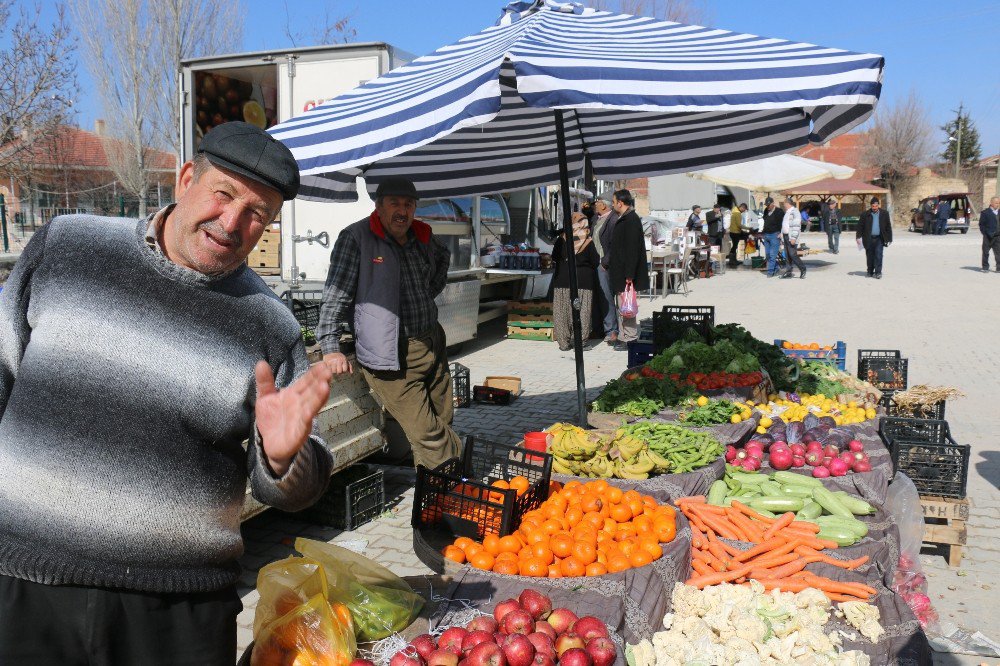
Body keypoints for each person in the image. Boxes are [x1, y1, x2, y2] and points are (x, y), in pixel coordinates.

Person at [0, 121, 335, 664]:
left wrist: (283, 459)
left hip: (178, 610)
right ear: (185, 179)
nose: (232, 223)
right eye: (223, 195)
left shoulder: (270, 326)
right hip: (23, 583)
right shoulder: (67, 245)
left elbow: (300, 486)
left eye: (258, 214)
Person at [317, 176, 461, 469]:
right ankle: (451, 490)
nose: (402, 211)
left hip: (432, 341)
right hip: (389, 353)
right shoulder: (356, 238)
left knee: (443, 417)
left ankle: (435, 481)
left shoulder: (422, 236)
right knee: (428, 432)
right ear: (378, 206)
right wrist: (330, 346)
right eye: (394, 203)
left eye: (408, 204)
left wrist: (425, 294)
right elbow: (336, 294)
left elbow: (443, 259)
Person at [551, 213, 600, 351]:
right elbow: (595, 261)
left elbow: (555, 257)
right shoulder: (587, 241)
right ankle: (580, 342)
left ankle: (564, 343)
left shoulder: (562, 239)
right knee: (582, 312)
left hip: (562, 280)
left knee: (562, 312)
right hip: (583, 281)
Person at [608, 189, 649, 350]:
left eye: (613, 202)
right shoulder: (625, 218)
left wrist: (630, 274)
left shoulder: (631, 219)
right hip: (621, 271)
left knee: (627, 306)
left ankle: (630, 338)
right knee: (622, 305)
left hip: (626, 273)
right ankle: (623, 336)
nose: (612, 205)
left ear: (620, 202)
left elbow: (632, 249)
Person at [592, 197, 619, 344]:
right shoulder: (597, 219)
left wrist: (605, 263)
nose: (595, 205)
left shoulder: (613, 219)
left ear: (603, 205)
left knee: (606, 297)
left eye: (597, 203)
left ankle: (612, 330)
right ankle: (599, 329)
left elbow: (615, 244)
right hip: (596, 263)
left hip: (604, 264)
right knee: (597, 296)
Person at [857, 196, 892, 278]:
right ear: (871, 206)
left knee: (879, 255)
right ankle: (870, 271)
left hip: (880, 238)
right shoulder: (865, 214)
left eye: (876, 206)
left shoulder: (884, 213)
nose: (875, 208)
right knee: (870, 256)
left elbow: (888, 226)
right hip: (868, 238)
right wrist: (858, 237)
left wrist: (889, 238)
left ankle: (878, 272)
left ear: (878, 205)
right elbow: (860, 227)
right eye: (873, 206)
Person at [781, 197, 807, 279]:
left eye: (784, 203)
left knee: (792, 254)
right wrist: (781, 234)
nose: (783, 205)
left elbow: (796, 226)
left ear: (787, 203)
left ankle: (803, 268)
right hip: (785, 236)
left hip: (791, 236)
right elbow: (785, 224)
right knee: (787, 255)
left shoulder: (795, 212)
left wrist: (793, 238)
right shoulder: (787, 212)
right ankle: (788, 271)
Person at [761, 196, 784, 277]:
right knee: (767, 255)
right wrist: (762, 233)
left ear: (773, 203)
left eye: (769, 205)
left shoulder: (779, 211)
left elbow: (782, 224)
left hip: (775, 235)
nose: (767, 207)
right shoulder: (766, 211)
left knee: (772, 255)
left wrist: (781, 233)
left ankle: (770, 272)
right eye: (766, 205)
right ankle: (776, 268)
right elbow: (765, 222)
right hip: (766, 235)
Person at [980, 196, 1000, 272]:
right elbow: (981, 224)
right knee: (985, 252)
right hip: (988, 236)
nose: (997, 204)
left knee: (998, 253)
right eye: (996, 203)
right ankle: (985, 267)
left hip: (997, 236)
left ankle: (999, 268)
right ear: (991, 203)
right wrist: (985, 233)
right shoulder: (985, 213)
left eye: (998, 203)